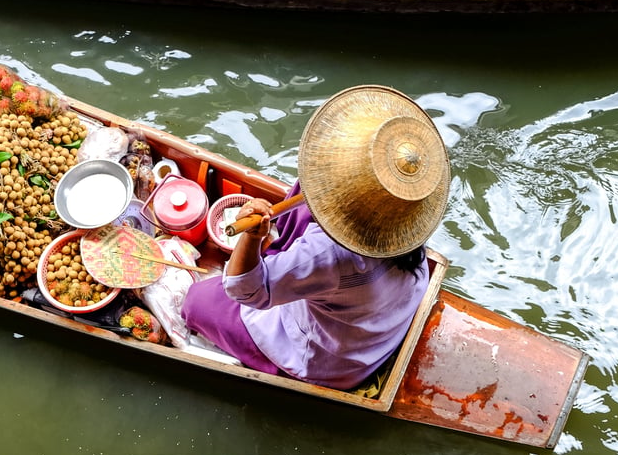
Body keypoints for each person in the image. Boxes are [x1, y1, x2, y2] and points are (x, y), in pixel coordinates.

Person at [182, 85, 450, 390]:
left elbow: (245, 291)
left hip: (330, 361)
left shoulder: (327, 254)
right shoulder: (406, 219)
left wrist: (252, 238)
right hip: (378, 330)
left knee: (196, 301)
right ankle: (281, 264)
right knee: (303, 190)